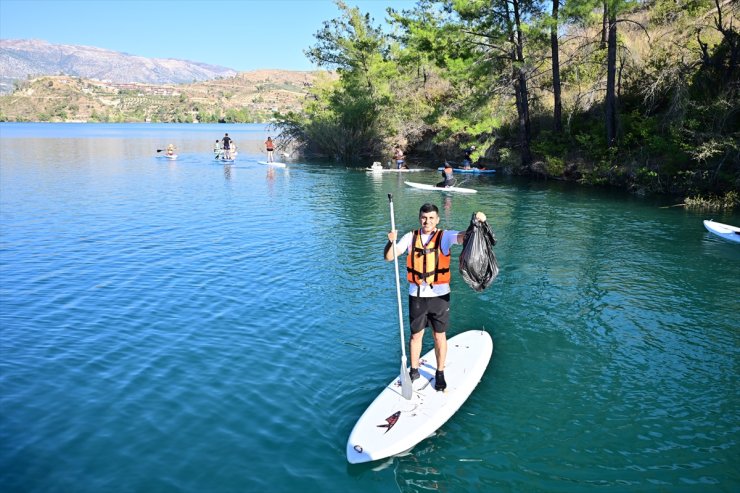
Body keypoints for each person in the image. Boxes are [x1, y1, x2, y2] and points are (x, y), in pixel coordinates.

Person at [384, 204, 487, 391]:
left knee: (439, 336)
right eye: (424, 217)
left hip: (439, 296)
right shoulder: (410, 237)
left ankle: (439, 373)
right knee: (416, 336)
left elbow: (465, 237)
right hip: (416, 295)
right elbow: (390, 257)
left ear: (437, 219)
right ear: (419, 218)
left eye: (431, 218)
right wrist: (390, 241)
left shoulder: (445, 236)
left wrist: (476, 223)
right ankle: (414, 370)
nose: (427, 221)